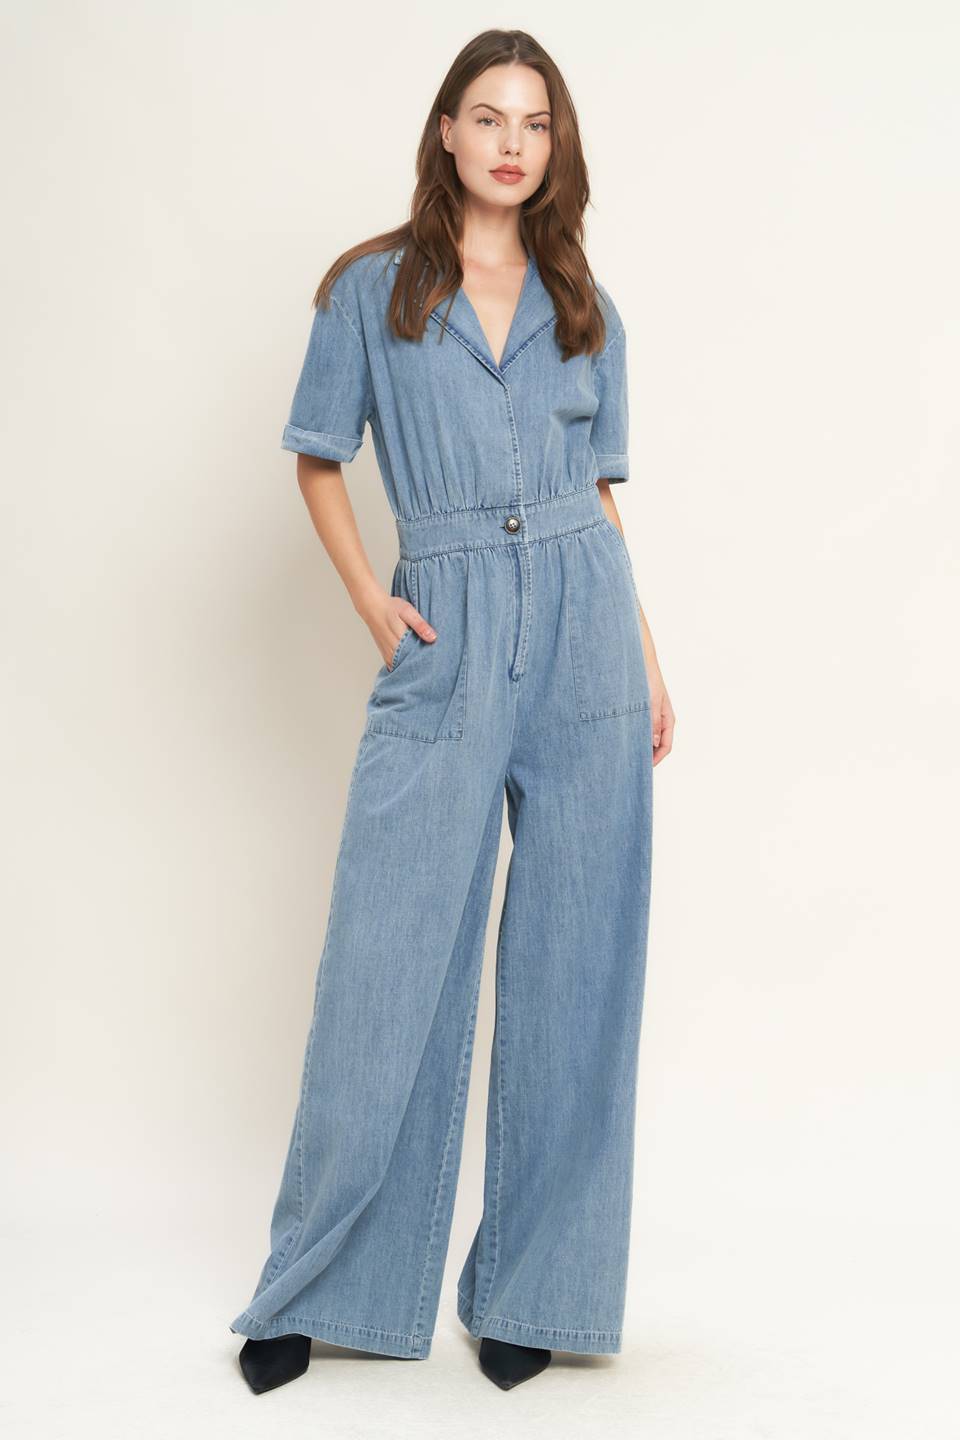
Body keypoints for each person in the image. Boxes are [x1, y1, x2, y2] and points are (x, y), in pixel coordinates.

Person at [228, 28, 675, 1395]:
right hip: (448, 612)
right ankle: (320, 1288)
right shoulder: (373, 293)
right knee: (390, 951)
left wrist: (648, 655)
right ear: (445, 134)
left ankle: (533, 1290)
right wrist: (374, 595)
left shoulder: (583, 300)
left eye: (534, 123)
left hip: (587, 625)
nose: (509, 141)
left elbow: (599, 500)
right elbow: (318, 457)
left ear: (555, 150)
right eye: (486, 117)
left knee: (576, 959)